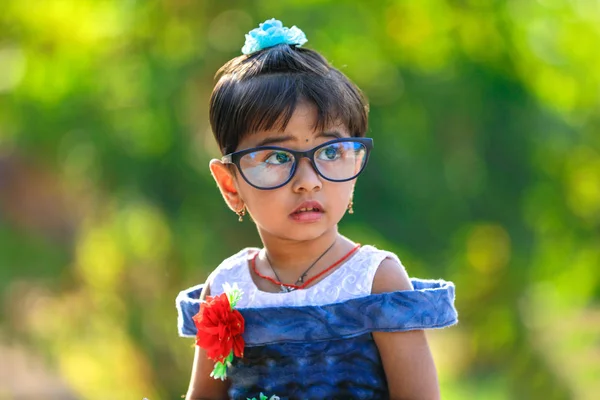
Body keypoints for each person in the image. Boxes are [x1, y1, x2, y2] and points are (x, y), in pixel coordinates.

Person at [176, 18, 458, 400]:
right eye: (276, 155)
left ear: (355, 166)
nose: (307, 180)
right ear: (231, 184)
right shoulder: (227, 288)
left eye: (330, 152)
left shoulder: (377, 282)